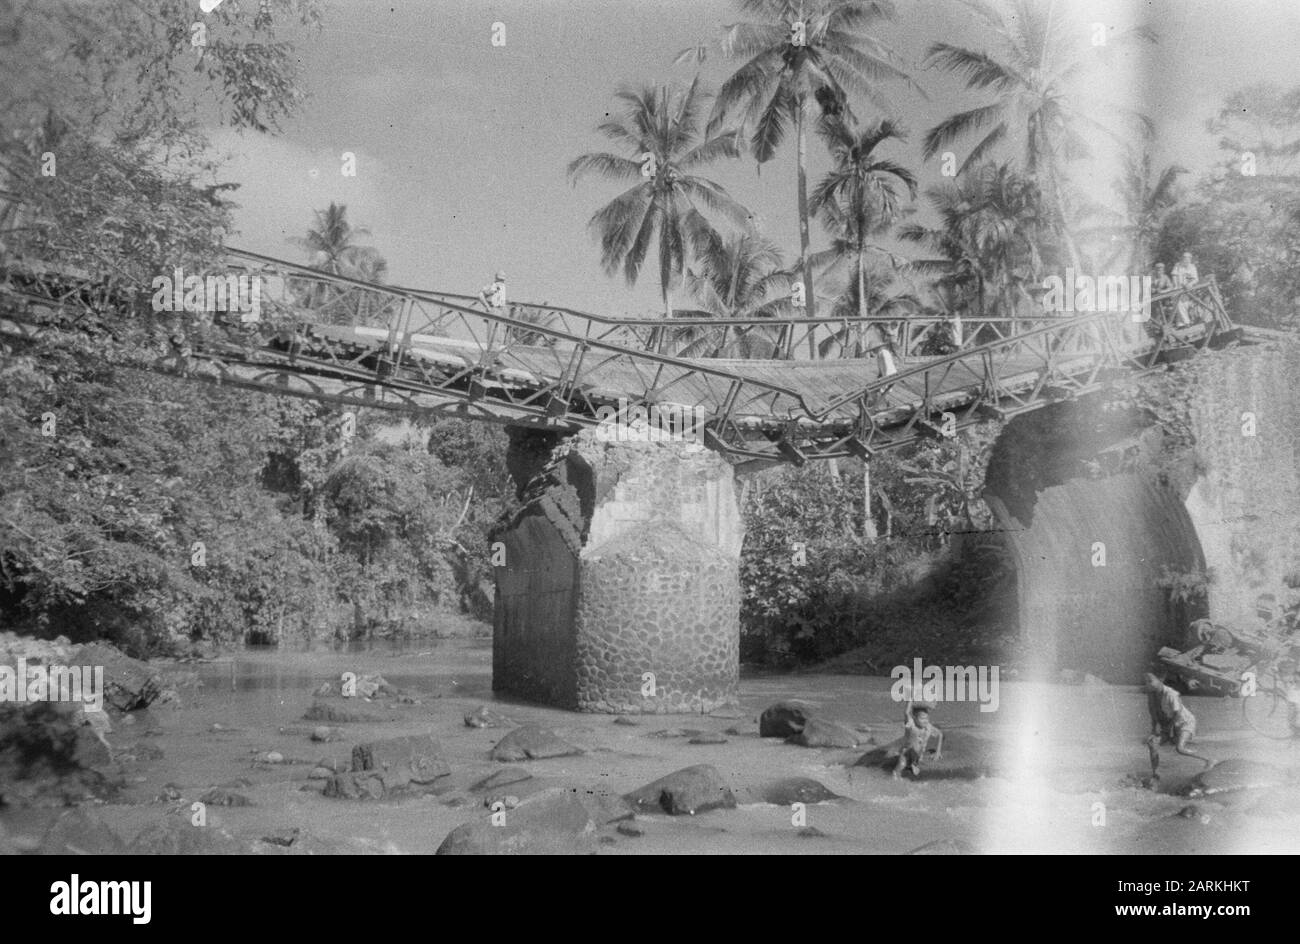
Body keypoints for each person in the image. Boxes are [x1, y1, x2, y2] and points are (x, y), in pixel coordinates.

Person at [1144, 672, 1211, 780]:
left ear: (1160, 679)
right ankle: (1155, 774)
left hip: (1185, 722)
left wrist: (1169, 729)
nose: (1148, 684)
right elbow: (1153, 713)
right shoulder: (1152, 694)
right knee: (1152, 743)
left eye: (1150, 681)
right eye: (1146, 682)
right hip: (1171, 723)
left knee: (1180, 748)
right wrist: (1153, 731)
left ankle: (1208, 759)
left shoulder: (1171, 694)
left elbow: (1177, 712)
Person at [893, 700, 942, 779]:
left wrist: (938, 752)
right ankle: (895, 780)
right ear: (914, 718)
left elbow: (940, 734)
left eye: (927, 718)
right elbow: (906, 713)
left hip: (918, 756)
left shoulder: (928, 727)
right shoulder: (912, 725)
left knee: (916, 762)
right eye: (922, 718)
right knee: (901, 765)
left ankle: (912, 765)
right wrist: (910, 701)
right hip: (906, 754)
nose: (925, 721)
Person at [1170, 252, 1199, 326]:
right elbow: (1174, 275)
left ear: (1190, 259)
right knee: (1178, 304)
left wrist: (1189, 284)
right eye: (1184, 258)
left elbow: (1196, 279)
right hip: (1178, 288)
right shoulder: (1177, 265)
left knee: (1184, 305)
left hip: (1188, 289)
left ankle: (1182, 324)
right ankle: (1185, 323)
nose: (1186, 260)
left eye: (1187, 258)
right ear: (1182, 259)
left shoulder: (1192, 267)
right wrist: (1176, 286)